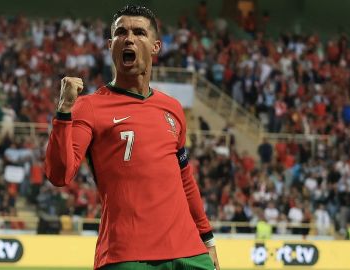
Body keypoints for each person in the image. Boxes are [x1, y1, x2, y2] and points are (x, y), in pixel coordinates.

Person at [44, 5, 220, 270]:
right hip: (127, 256)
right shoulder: (90, 107)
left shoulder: (172, 108)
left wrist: (207, 239)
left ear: (155, 46)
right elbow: (59, 175)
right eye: (121, 32)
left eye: (139, 32)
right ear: (110, 44)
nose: (129, 38)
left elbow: (185, 179)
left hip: (189, 252)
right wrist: (64, 112)